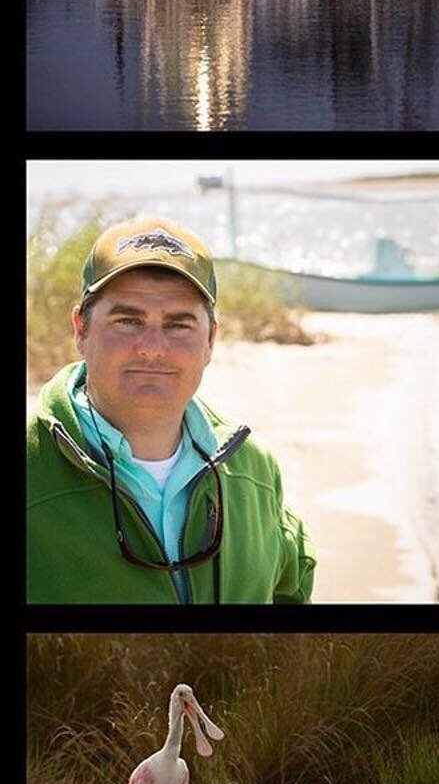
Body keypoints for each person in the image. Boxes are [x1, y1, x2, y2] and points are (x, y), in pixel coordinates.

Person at [27, 216, 315, 604]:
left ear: (210, 339)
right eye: (127, 320)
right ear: (81, 329)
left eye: (178, 325)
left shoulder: (254, 470)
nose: (152, 347)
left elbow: (290, 593)